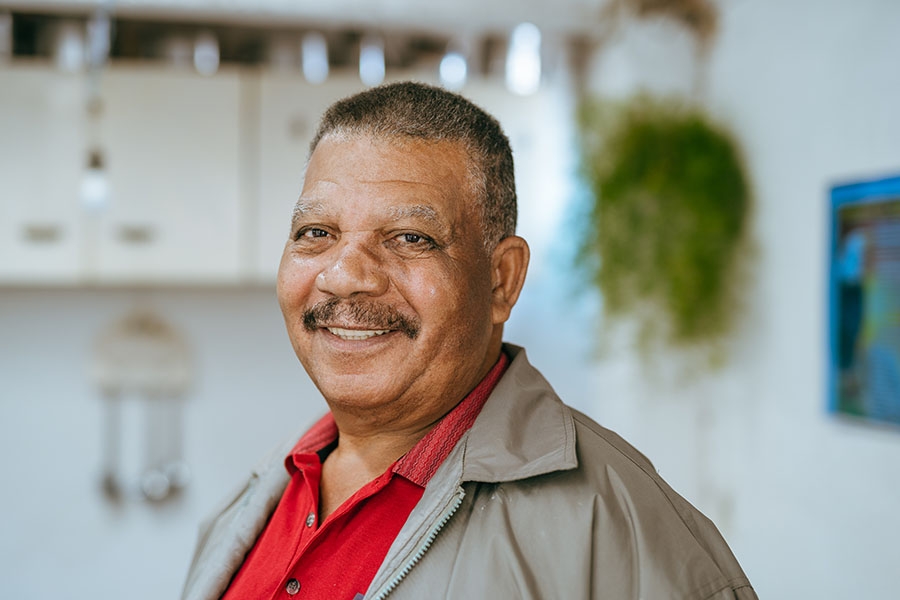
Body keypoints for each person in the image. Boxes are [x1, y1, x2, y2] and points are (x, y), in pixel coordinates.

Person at [181, 81, 756, 600]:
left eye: (410, 237)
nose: (345, 275)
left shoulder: (617, 532)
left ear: (501, 280)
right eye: (316, 233)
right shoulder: (251, 504)